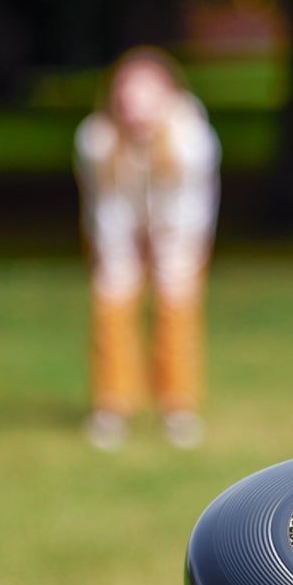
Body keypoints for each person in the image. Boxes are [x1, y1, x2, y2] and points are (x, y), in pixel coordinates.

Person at [74, 47, 221, 450]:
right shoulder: (96, 139)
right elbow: (105, 206)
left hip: (179, 231)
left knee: (176, 307)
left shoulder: (192, 138)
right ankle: (111, 406)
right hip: (118, 230)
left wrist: (168, 249)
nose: (135, 107)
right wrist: (121, 254)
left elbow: (192, 206)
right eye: (127, 96)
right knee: (111, 302)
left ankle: (178, 408)